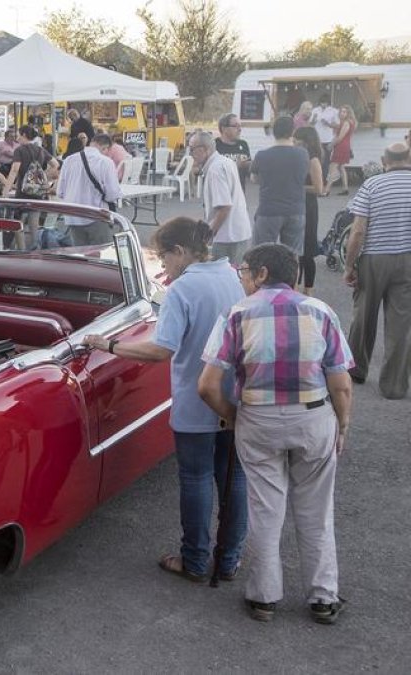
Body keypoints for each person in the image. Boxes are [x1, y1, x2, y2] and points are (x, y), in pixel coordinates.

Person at [85, 217, 247, 583]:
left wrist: (108, 345)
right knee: (233, 479)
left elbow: (161, 349)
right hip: (233, 395)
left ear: (180, 251)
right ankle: (230, 558)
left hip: (195, 397)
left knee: (195, 478)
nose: (163, 265)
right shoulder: (232, 275)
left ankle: (193, 558)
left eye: (164, 256)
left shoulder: (182, 290)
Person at [199, 243, 353, 625]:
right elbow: (341, 383)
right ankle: (323, 598)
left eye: (246, 271)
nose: (243, 278)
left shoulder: (236, 315)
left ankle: (264, 597)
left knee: (266, 510)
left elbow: (207, 386)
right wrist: (343, 422)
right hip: (314, 416)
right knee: (317, 512)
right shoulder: (321, 312)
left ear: (263, 273)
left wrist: (232, 416)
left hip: (258, 418)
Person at [342, 142, 411, 400]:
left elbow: (358, 230)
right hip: (407, 259)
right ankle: (394, 386)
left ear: (385, 160)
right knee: (401, 323)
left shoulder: (372, 185)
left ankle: (356, 370)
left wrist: (350, 265)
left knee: (363, 316)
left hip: (374, 258)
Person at [188, 130, 252, 264]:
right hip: (237, 232)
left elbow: (224, 207)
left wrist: (208, 235)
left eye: (192, 149)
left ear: (204, 149)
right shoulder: (225, 162)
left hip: (226, 237)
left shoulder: (215, 169)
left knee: (222, 277)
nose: (190, 154)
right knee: (235, 275)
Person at [250, 115, 309, 250]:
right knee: (292, 255)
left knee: (261, 252)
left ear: (273, 132)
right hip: (295, 210)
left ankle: (264, 271)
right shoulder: (303, 154)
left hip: (269, 210)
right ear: (292, 132)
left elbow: (254, 179)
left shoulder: (262, 155)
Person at [57, 137, 122, 245]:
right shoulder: (105, 162)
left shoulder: (69, 160)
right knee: (100, 253)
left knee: (80, 256)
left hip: (72, 215)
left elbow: (60, 192)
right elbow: (112, 194)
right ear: (105, 148)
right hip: (96, 215)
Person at [293, 127, 325, 294]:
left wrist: (298, 187)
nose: (293, 142)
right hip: (296, 205)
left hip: (308, 207)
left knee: (307, 251)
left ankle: (308, 290)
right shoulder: (299, 157)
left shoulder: (313, 160)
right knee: (296, 251)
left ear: (306, 141)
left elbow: (319, 189)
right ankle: (295, 288)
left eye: (296, 140)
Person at [323, 105, 356, 196]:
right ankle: (345, 188)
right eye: (341, 111)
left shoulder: (346, 123)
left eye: (344, 112)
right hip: (345, 146)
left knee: (332, 168)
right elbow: (336, 127)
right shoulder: (348, 122)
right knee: (341, 167)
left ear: (348, 113)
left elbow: (340, 137)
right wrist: (329, 124)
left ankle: (326, 190)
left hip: (341, 146)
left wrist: (331, 145)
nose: (342, 113)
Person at [309, 95, 340, 182]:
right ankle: (316, 179)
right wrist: (314, 118)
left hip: (328, 139)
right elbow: (311, 124)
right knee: (317, 160)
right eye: (322, 102)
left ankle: (324, 181)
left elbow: (338, 125)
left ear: (328, 103)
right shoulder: (315, 110)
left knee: (326, 161)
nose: (324, 104)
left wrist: (328, 124)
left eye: (325, 103)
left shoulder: (333, 111)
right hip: (317, 139)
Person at [215, 113, 252, 186]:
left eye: (240, 126)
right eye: (235, 126)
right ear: (224, 128)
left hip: (239, 193)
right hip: (219, 191)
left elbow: (249, 173)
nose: (239, 129)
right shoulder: (214, 145)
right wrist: (235, 165)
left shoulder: (243, 144)